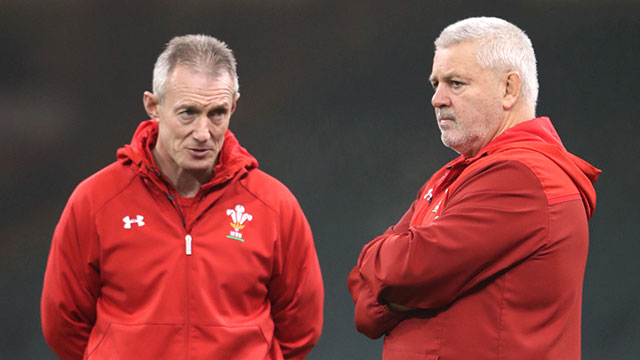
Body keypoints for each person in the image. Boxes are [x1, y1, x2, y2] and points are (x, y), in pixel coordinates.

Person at [41, 34, 323, 360]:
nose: (203, 133)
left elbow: (301, 328)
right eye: (188, 112)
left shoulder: (274, 206)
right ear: (153, 106)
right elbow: (62, 324)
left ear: (233, 106)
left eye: (217, 113)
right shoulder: (95, 200)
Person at [348, 17, 600, 359]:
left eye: (456, 83)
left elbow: (402, 271)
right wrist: (394, 284)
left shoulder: (523, 176)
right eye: (435, 84)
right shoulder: (451, 177)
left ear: (509, 88)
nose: (437, 99)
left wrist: (388, 277)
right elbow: (364, 307)